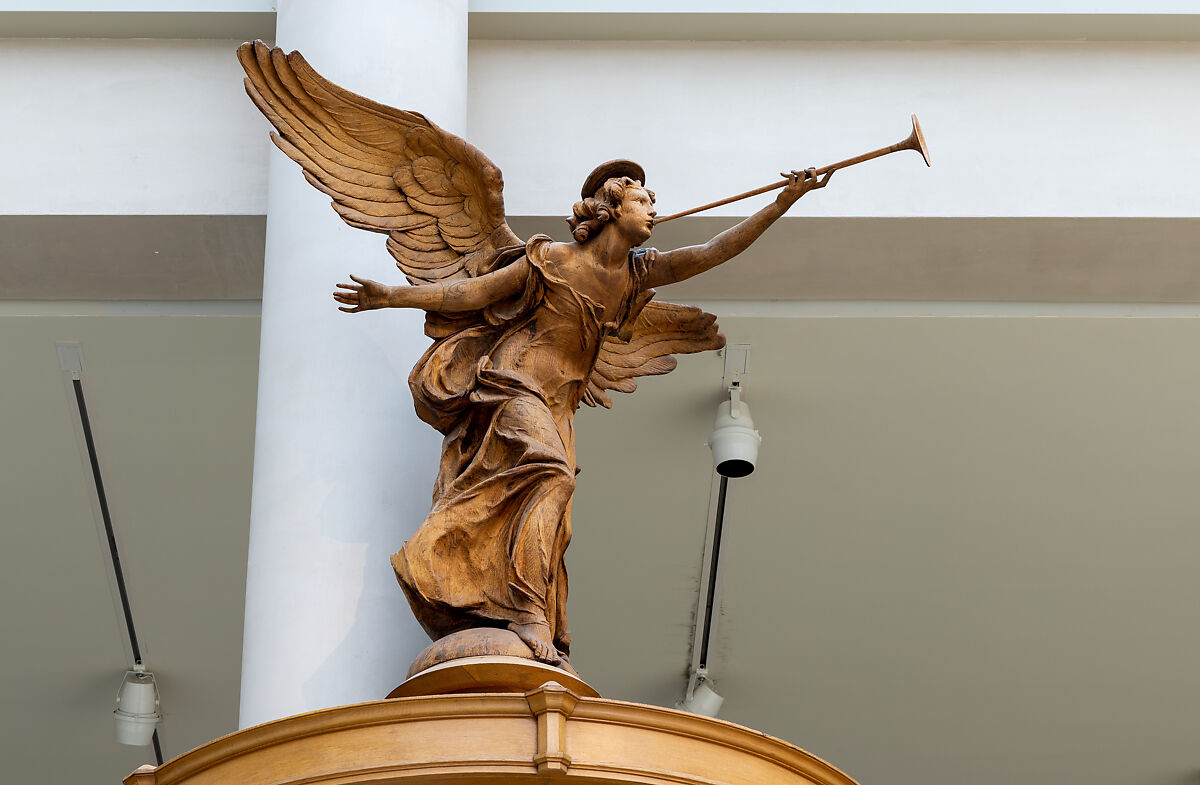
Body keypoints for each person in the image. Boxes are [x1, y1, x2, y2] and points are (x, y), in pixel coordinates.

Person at [332, 162, 832, 666]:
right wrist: (390, 296)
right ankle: (528, 614)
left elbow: (710, 253)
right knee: (550, 474)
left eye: (653, 202)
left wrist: (781, 203)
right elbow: (473, 293)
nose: (653, 210)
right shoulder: (550, 258)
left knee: (557, 518)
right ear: (610, 209)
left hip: (559, 404)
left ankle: (501, 596)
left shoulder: (638, 272)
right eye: (642, 202)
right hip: (513, 383)